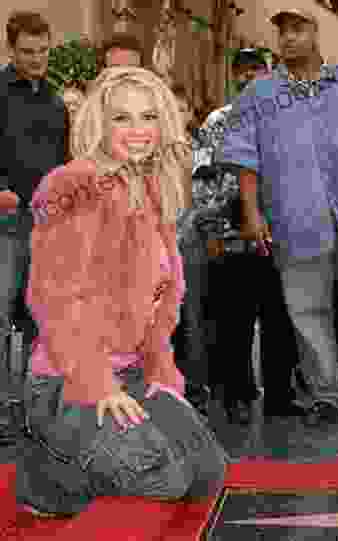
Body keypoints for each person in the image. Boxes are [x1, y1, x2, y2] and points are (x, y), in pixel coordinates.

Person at [15, 66, 229, 518]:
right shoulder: (71, 186)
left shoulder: (154, 189)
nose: (138, 131)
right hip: (67, 380)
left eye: (148, 117)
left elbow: (162, 306)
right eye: (122, 118)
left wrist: (161, 379)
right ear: (100, 122)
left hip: (133, 372)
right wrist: (98, 386)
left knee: (209, 473)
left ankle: (88, 453)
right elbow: (55, 302)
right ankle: (45, 479)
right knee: (164, 477)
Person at [216, 8, 338, 426]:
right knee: (308, 311)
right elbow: (243, 160)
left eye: (298, 28)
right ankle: (325, 395)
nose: (289, 37)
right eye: (283, 31)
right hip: (295, 218)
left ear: (316, 32)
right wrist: (252, 214)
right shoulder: (259, 96)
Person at [197, 48, 305, 423]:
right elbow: (203, 180)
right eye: (242, 71)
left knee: (280, 319)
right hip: (232, 238)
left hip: (279, 237)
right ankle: (237, 395)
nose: (248, 78)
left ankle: (280, 394)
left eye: (256, 70)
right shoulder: (217, 121)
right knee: (234, 323)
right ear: (234, 77)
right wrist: (211, 229)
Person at [0, 11, 68, 356]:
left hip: (47, 226)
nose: (37, 58)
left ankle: (26, 403)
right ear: (10, 49)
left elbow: (64, 162)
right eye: (28, 51)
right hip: (6, 224)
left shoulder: (57, 101)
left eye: (43, 50)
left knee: (39, 317)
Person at [170, 83, 211, 417]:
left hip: (191, 238)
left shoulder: (199, 149)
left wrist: (185, 228)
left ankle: (196, 385)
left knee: (192, 315)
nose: (177, 115)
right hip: (158, 239)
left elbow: (202, 199)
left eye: (182, 109)